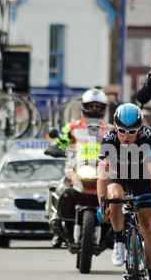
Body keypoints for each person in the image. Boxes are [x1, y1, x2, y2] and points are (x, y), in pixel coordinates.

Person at [97, 103, 151, 280]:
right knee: (115, 196)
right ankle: (119, 240)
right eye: (122, 131)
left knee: (147, 227)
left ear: (140, 129)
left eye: (132, 132)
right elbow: (102, 176)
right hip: (117, 174)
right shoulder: (108, 139)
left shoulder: (148, 137)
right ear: (115, 127)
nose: (126, 136)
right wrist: (103, 206)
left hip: (141, 174)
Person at [45, 87, 109, 247]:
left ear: (103, 108)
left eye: (98, 106)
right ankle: (56, 225)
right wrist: (56, 146)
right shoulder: (72, 127)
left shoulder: (111, 129)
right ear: (84, 107)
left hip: (103, 171)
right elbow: (62, 140)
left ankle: (120, 234)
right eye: (91, 105)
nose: (94, 109)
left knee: (121, 194)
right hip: (76, 169)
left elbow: (121, 144)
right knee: (58, 189)